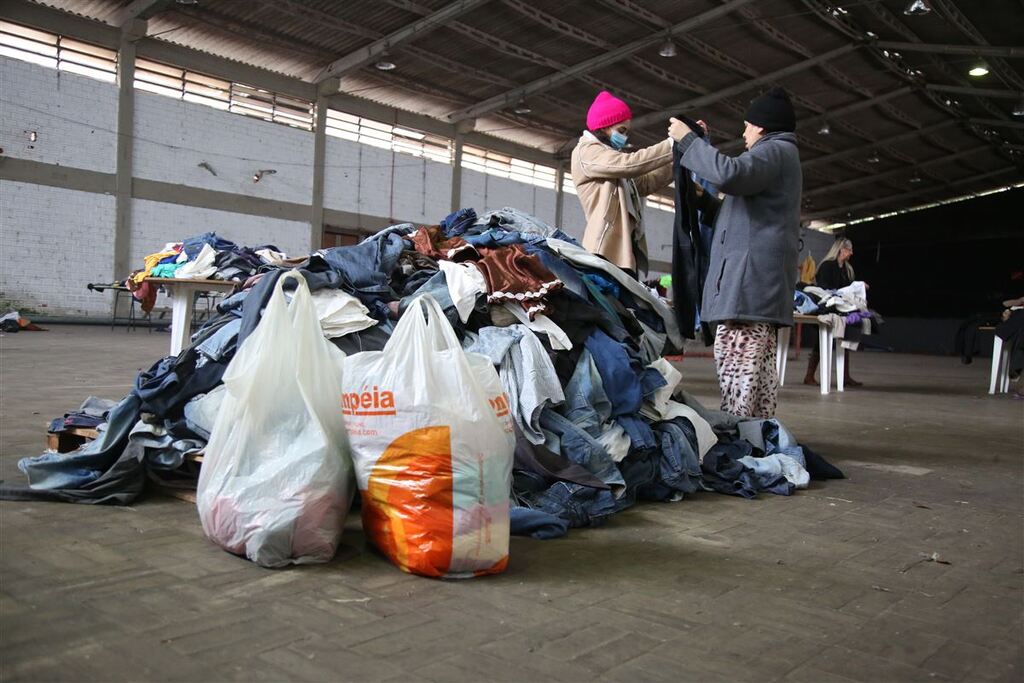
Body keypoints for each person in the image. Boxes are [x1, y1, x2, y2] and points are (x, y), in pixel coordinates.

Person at [667, 87, 801, 418]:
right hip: (755, 293)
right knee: (757, 380)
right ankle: (756, 439)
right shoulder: (776, 160)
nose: (744, 132)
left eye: (747, 125)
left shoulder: (773, 152)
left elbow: (730, 174)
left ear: (763, 127)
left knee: (737, 372)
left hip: (748, 294)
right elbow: (739, 217)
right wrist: (702, 200)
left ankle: (739, 440)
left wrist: (688, 142)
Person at [572, 91, 674, 278]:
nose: (625, 137)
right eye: (621, 130)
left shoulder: (611, 159)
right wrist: (671, 145)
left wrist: (678, 160)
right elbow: (629, 164)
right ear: (604, 127)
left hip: (626, 247)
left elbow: (645, 183)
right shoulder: (587, 152)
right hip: (605, 249)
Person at [804, 238, 863, 387]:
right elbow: (823, 287)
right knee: (821, 339)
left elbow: (848, 288)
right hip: (826, 305)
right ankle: (809, 375)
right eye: (849, 250)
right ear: (841, 249)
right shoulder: (826, 266)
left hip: (841, 307)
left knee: (847, 333)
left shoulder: (847, 269)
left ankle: (845, 375)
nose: (851, 253)